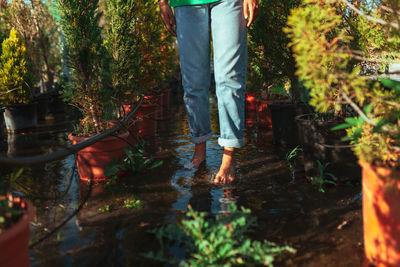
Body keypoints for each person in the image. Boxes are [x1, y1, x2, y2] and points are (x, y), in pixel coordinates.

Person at [159, 0, 258, 184]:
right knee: (193, 81)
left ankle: (229, 156)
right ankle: (199, 149)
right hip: (186, 3)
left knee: (230, 77)